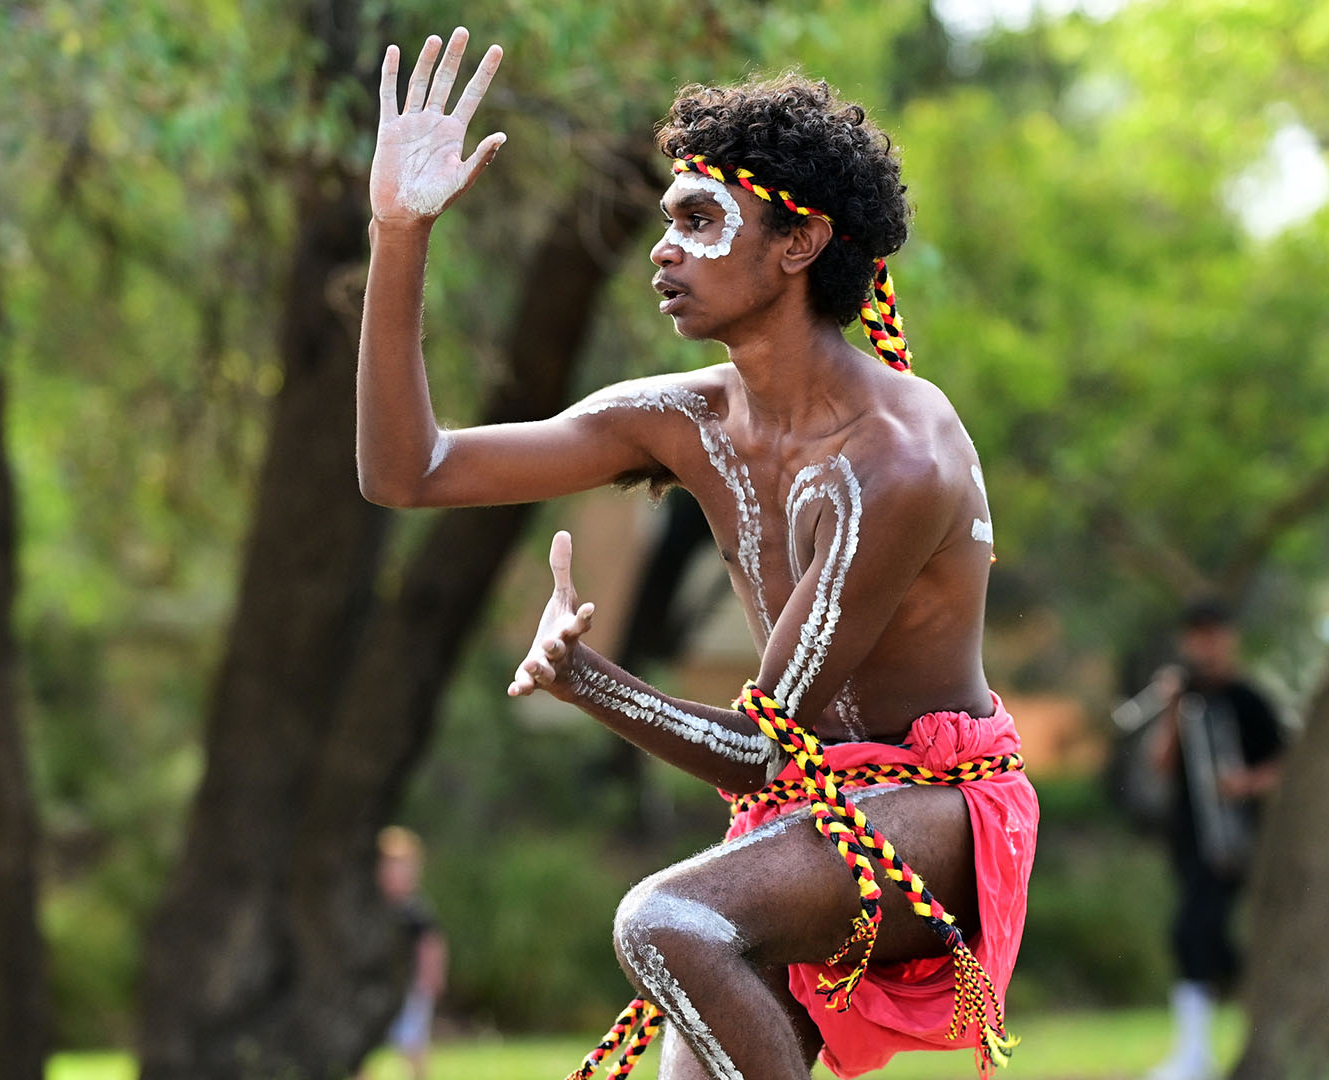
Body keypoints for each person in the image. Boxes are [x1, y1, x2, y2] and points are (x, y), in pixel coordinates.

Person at [358, 27, 1039, 1079]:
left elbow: (771, 752)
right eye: (665, 220)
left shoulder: (896, 462)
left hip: (936, 809)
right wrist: (399, 233)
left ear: (800, 242)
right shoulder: (680, 420)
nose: (661, 250)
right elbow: (412, 472)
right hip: (804, 819)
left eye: (699, 218)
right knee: (689, 964)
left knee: (667, 920)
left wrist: (590, 684)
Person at [1127, 600, 1285, 1080]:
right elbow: (1161, 762)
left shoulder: (1250, 700)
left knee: (1194, 933)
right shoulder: (1184, 696)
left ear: (1229, 638)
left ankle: (1196, 1052)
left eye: (1213, 634)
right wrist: (1172, 706)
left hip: (1235, 841)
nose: (1205, 644)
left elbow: (1282, 765)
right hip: (1189, 840)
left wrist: (1245, 784)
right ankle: (1206, 1042)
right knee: (1207, 939)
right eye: (1196, 635)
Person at [374, 827, 447, 1080]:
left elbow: (432, 944)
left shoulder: (414, 911)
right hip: (378, 988)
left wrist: (432, 978)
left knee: (413, 1044)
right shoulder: (370, 909)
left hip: (411, 990)